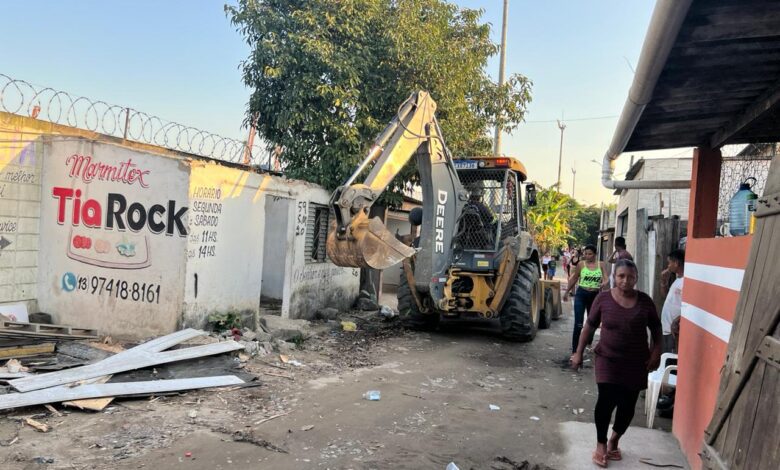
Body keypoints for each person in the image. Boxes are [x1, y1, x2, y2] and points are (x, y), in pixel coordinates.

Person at [571, 260, 662, 467]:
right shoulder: (603, 299)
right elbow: (589, 327)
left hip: (637, 362)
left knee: (627, 405)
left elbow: (657, 329)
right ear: (614, 277)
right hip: (607, 359)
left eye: (630, 277)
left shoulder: (645, 302)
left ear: (636, 278)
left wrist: (656, 353)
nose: (625, 280)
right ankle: (601, 444)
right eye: (621, 276)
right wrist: (578, 353)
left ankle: (614, 440)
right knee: (605, 400)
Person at [563, 245, 608, 353]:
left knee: (593, 323)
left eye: (590, 254)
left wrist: (603, 284)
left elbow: (606, 279)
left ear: (595, 254)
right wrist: (566, 291)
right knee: (578, 324)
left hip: (595, 296)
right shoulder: (581, 264)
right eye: (586, 254)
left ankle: (588, 341)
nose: (587, 256)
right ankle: (575, 351)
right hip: (581, 294)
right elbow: (574, 278)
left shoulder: (600, 264)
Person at [660, 249, 685, 354]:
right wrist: (663, 281)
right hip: (666, 328)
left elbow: (688, 307)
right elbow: (664, 296)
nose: (668, 266)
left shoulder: (686, 280)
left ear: (676, 263)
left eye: (669, 263)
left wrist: (677, 320)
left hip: (674, 330)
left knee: (671, 361)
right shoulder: (677, 279)